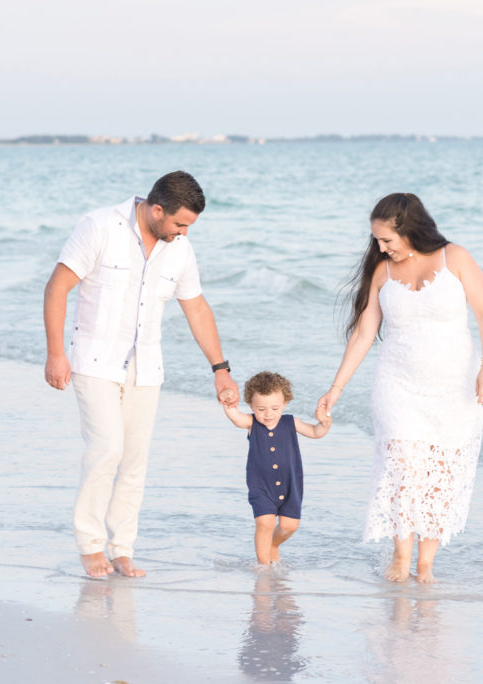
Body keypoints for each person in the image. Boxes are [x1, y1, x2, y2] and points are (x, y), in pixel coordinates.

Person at [44, 171, 239, 578]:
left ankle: (121, 549)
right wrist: (55, 353)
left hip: (146, 367)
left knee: (134, 462)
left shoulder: (180, 249)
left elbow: (197, 308)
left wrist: (220, 370)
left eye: (188, 227)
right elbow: (57, 287)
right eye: (179, 224)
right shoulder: (99, 227)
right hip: (95, 361)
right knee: (107, 449)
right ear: (156, 210)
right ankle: (90, 546)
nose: (183, 233)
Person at [316, 193, 483, 583]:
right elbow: (364, 333)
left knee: (440, 473)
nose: (380, 248)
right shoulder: (383, 272)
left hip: (454, 387)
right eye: (377, 241)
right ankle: (400, 559)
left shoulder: (456, 258)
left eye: (387, 241)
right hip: (397, 385)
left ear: (409, 228)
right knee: (402, 468)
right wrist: (336, 388)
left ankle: (426, 565)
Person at [224, 371, 330, 565]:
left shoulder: (291, 422)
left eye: (274, 408)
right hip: (261, 486)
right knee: (265, 523)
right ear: (251, 406)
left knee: (289, 526)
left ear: (285, 404)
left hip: (291, 485)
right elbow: (236, 418)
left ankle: (272, 545)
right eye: (261, 409)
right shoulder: (251, 423)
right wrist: (228, 404)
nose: (268, 414)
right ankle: (263, 568)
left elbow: (315, 432)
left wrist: (324, 424)